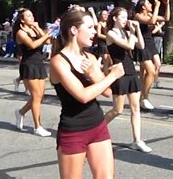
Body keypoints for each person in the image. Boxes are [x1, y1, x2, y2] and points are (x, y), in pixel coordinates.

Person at [50, 10, 124, 179]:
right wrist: (112, 75)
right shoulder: (58, 62)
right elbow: (82, 95)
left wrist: (92, 73)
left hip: (97, 125)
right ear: (74, 30)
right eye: (90, 27)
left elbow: (107, 91)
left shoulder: (89, 57)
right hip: (73, 131)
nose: (94, 32)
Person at [103, 7, 152, 153]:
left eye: (126, 17)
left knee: (135, 108)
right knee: (118, 110)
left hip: (130, 71)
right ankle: (97, 129)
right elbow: (129, 46)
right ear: (114, 18)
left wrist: (136, 30)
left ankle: (137, 140)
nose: (126, 20)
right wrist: (131, 32)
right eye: (123, 17)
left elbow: (141, 46)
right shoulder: (111, 34)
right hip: (119, 73)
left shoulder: (126, 32)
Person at [13, 9, 53, 136]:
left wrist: (39, 29)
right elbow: (33, 45)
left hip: (39, 63)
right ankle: (38, 127)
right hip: (29, 64)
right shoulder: (20, 32)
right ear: (22, 19)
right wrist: (47, 35)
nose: (32, 17)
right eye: (28, 16)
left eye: (32, 15)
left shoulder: (34, 28)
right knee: (36, 96)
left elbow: (47, 42)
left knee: (40, 96)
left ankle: (20, 112)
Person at [133, 0, 170, 110]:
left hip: (149, 42)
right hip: (141, 43)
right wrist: (157, 6)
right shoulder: (137, 16)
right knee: (150, 71)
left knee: (157, 65)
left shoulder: (149, 15)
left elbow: (166, 18)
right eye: (149, 4)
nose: (151, 5)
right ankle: (144, 98)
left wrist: (167, 5)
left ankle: (142, 97)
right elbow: (152, 22)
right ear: (143, 7)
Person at [97, 9, 111, 75]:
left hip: (109, 43)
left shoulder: (109, 23)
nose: (105, 16)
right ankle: (106, 74)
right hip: (103, 43)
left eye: (106, 14)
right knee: (105, 60)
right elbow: (98, 34)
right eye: (104, 14)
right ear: (101, 16)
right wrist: (107, 38)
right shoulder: (100, 23)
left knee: (110, 60)